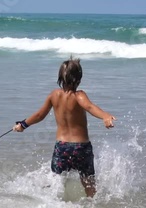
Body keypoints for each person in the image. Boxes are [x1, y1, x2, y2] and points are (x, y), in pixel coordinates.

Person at [13, 57, 116, 197]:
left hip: (62, 147)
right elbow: (90, 107)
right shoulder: (79, 95)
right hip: (81, 147)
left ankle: (52, 204)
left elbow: (39, 115)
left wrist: (23, 125)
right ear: (79, 77)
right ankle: (93, 204)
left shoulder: (54, 95)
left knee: (56, 180)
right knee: (88, 181)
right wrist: (105, 116)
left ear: (60, 77)